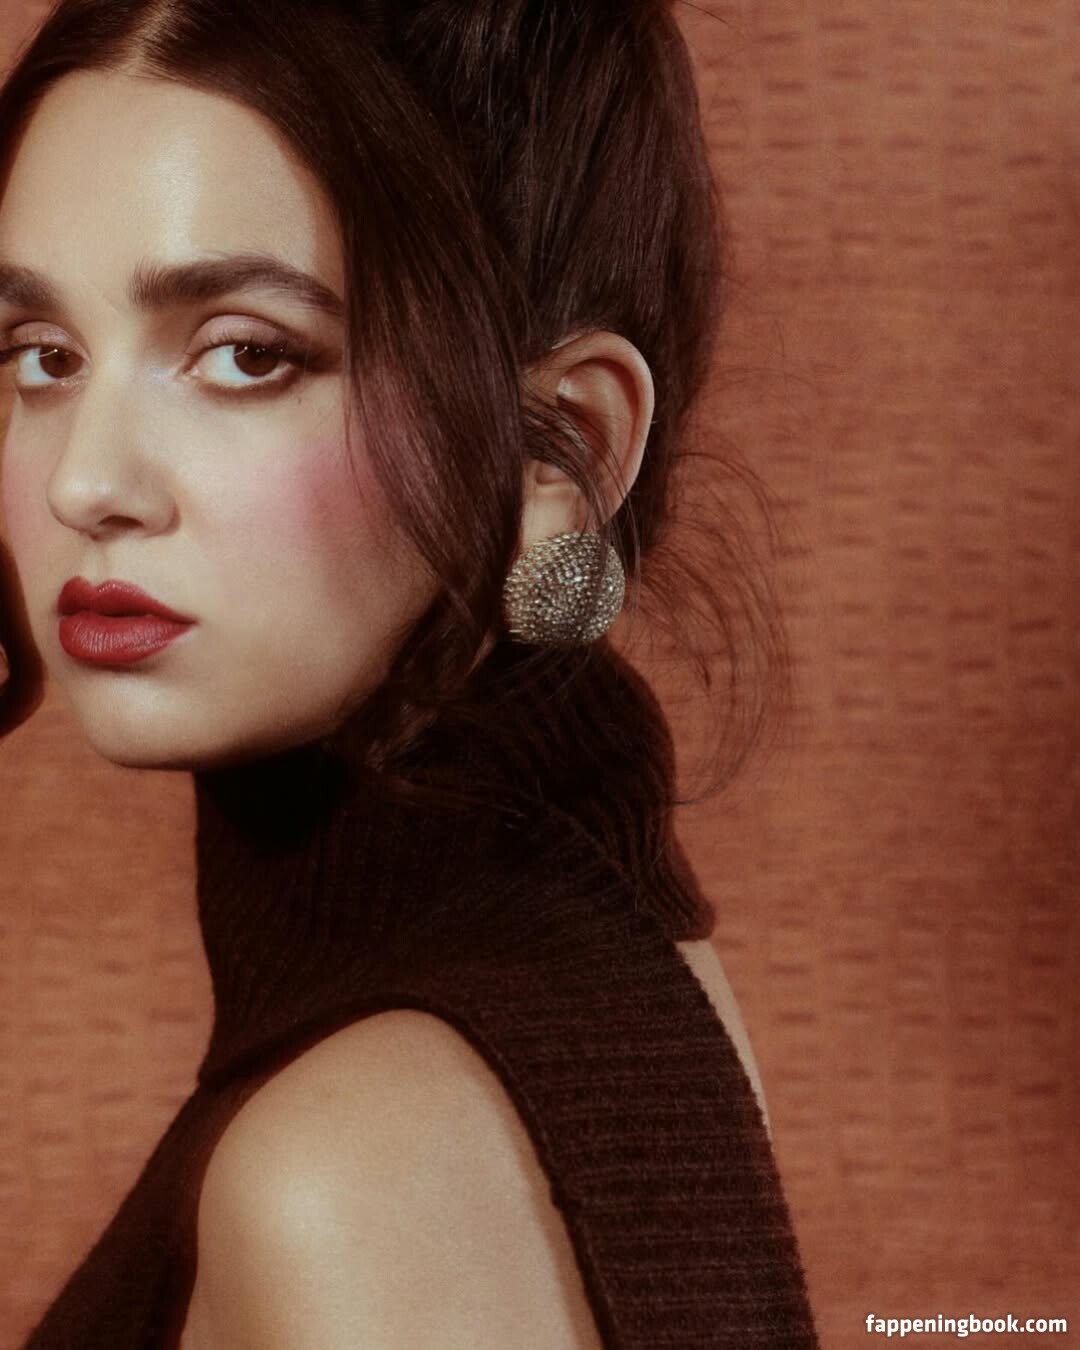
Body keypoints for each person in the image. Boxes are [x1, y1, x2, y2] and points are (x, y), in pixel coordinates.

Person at [0, 0, 820, 1345]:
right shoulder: (587, 955)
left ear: (560, 451)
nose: (86, 483)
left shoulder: (353, 1173)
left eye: (245, 355)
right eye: (44, 358)